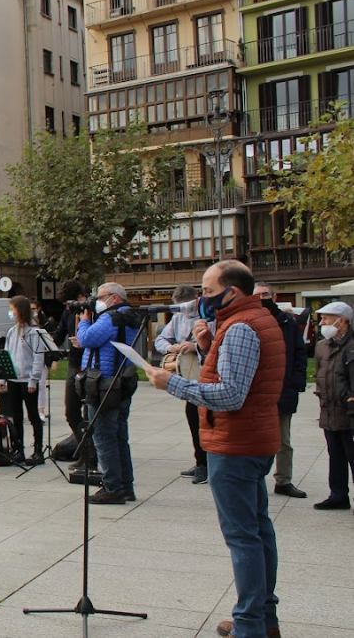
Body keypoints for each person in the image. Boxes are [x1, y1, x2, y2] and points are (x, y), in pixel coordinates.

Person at [145, 260, 285, 638]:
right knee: (257, 531)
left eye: (207, 291)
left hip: (236, 443)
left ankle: (250, 624)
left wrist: (171, 383)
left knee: (244, 537)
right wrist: (208, 349)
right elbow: (240, 378)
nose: (202, 299)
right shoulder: (254, 318)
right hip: (249, 439)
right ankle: (262, 617)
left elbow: (231, 395)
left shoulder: (240, 327)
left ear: (232, 292)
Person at [76, 283, 140, 504]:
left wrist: (84, 321)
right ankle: (126, 486)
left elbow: (86, 339)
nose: (97, 301)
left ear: (114, 298)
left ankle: (113, 488)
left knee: (104, 437)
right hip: (121, 382)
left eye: (101, 297)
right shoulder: (128, 316)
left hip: (104, 385)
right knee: (120, 437)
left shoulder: (110, 317)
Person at [253, 282, 308, 500]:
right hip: (256, 391)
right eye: (257, 295)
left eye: (265, 294)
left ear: (274, 296)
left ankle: (283, 480)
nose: (261, 299)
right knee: (255, 440)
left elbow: (300, 354)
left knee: (283, 440)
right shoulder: (247, 321)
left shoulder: (287, 322)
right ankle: (254, 479)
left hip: (283, 389)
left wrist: (297, 382)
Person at [154, 285, 207, 483]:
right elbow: (160, 339)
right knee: (193, 418)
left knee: (206, 421)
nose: (185, 310)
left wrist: (196, 346)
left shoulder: (208, 315)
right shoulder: (178, 318)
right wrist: (171, 347)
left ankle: (208, 464)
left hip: (206, 374)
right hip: (189, 376)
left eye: (188, 305)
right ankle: (200, 462)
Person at [311, 301, 354, 511]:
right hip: (329, 411)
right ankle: (338, 495)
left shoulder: (351, 345)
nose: (322, 323)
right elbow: (321, 374)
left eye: (326, 318)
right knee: (335, 456)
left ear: (342, 321)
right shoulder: (322, 346)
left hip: (349, 413)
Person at [52, 280, 97, 472]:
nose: (68, 307)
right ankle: (85, 450)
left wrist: (84, 341)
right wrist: (48, 342)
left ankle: (91, 456)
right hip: (74, 364)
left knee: (89, 414)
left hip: (90, 364)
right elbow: (60, 332)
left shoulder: (94, 311)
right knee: (71, 412)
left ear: (80, 297)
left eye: (70, 303)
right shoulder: (69, 311)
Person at [1, 295, 46, 465]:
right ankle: (18, 449)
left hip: (28, 380)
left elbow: (38, 357)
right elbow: (7, 354)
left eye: (12, 309)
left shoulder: (34, 332)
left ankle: (38, 450)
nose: (11, 313)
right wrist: (3, 377)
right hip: (14, 379)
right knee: (16, 416)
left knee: (33, 415)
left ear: (19, 311)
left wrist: (34, 380)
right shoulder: (12, 332)